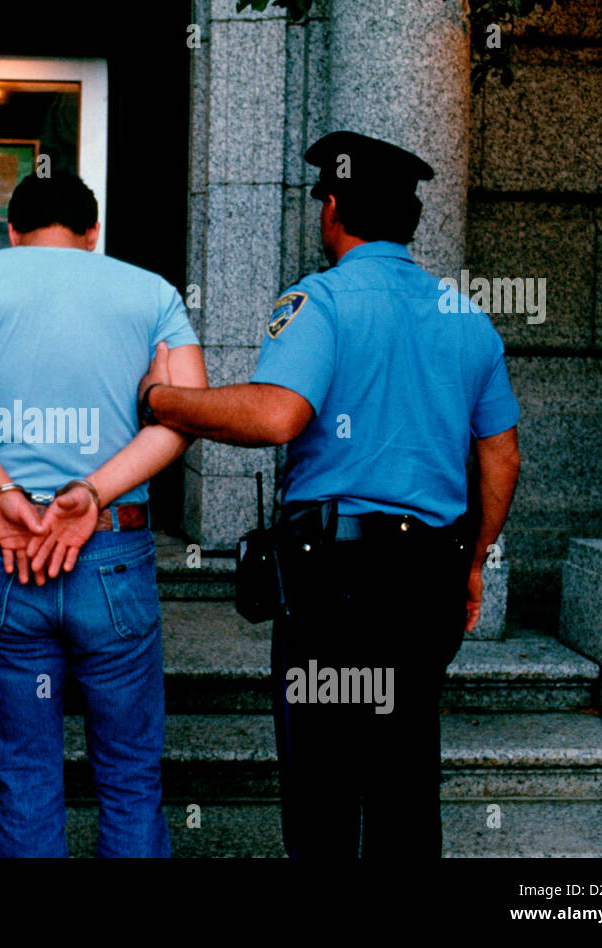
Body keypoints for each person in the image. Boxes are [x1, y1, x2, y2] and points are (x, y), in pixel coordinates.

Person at [135, 130, 522, 859]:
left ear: (334, 210)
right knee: (405, 776)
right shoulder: (465, 316)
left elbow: (279, 414)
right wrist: (473, 561)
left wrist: (167, 400)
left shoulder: (321, 300)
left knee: (323, 784)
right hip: (428, 579)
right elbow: (501, 455)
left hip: (338, 585)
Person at [0, 171, 208, 857]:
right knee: (131, 779)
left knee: (27, 781)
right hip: (111, 554)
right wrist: (95, 491)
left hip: (11, 553)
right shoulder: (151, 292)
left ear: (11, 232)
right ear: (92, 232)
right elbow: (189, 413)